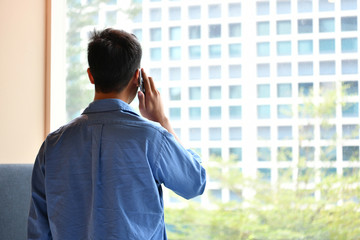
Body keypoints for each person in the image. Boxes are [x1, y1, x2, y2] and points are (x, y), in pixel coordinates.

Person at [28, 28, 206, 240]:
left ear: (91, 76)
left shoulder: (53, 144)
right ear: (137, 78)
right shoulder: (152, 137)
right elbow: (195, 182)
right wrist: (162, 120)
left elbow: (38, 231)